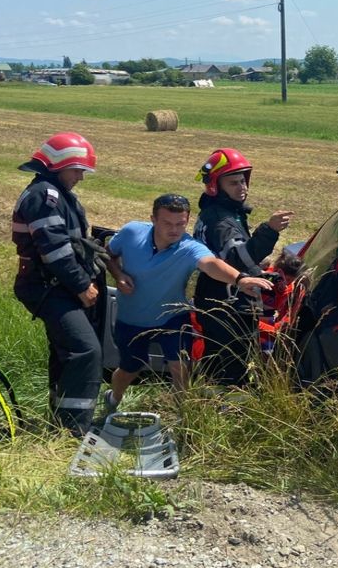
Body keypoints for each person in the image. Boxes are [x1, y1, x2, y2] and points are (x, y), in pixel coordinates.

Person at [102, 193, 273, 412]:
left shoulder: (189, 246)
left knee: (181, 367)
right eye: (167, 223)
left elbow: (211, 264)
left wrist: (240, 279)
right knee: (130, 369)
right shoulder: (131, 232)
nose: (174, 230)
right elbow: (108, 254)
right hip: (133, 318)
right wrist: (118, 274)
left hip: (173, 317)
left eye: (180, 224)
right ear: (153, 219)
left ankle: (183, 415)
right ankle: (113, 399)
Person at [12, 131, 104, 437]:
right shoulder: (44, 196)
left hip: (56, 285)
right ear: (60, 165)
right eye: (78, 169)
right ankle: (75, 430)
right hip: (49, 286)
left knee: (65, 352)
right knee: (85, 350)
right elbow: (56, 250)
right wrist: (81, 285)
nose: (81, 176)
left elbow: (74, 243)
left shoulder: (54, 193)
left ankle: (60, 422)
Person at [192, 148, 294, 386]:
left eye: (244, 181)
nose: (243, 187)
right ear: (216, 186)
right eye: (234, 182)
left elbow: (232, 257)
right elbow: (238, 259)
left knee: (222, 362)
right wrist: (269, 231)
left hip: (222, 297)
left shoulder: (225, 213)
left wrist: (258, 269)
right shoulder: (220, 220)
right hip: (227, 303)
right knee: (230, 368)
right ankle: (226, 411)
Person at [257, 251, 305, 357]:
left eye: (291, 281)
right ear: (278, 272)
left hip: (267, 314)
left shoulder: (290, 287)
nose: (287, 284)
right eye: (286, 279)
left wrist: (283, 323)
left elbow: (285, 311)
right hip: (255, 312)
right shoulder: (264, 280)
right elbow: (253, 317)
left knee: (267, 350)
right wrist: (272, 329)